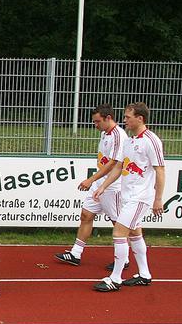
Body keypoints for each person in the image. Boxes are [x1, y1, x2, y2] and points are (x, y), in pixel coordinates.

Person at [92, 102, 164, 292]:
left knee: (118, 233)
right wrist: (103, 187)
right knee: (135, 233)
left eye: (128, 117)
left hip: (140, 198)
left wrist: (158, 199)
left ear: (140, 118)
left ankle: (115, 278)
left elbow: (160, 170)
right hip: (127, 196)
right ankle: (144, 274)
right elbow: (118, 167)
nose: (125, 120)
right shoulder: (129, 141)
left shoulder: (152, 140)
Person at [54, 104, 128, 268]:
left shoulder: (119, 136)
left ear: (108, 118)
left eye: (97, 121)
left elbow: (113, 163)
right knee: (86, 214)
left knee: (117, 222)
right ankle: (75, 253)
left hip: (112, 186)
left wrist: (91, 180)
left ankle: (124, 259)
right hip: (100, 184)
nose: (95, 125)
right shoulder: (104, 133)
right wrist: (96, 182)